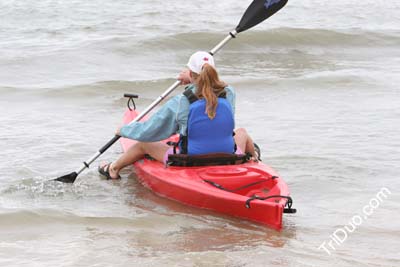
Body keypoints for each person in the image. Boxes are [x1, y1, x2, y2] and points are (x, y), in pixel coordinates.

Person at [98, 51, 258, 179]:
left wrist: (124, 130)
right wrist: (193, 80)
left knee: (143, 145)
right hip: (227, 154)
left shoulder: (182, 101)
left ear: (191, 73)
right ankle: (254, 158)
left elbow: (153, 131)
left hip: (191, 158)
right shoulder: (229, 93)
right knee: (242, 133)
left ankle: (113, 169)